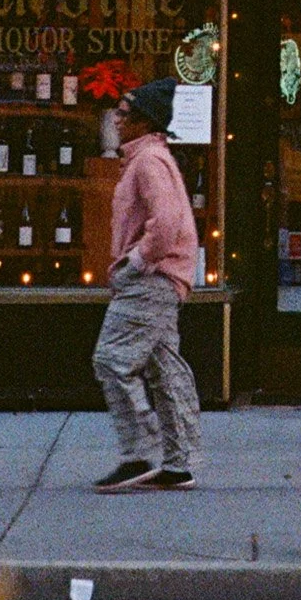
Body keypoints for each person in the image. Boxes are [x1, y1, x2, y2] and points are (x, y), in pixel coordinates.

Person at [91, 78, 203, 491]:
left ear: (143, 122)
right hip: (164, 279)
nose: (116, 120)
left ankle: (138, 453)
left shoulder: (149, 161)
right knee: (163, 370)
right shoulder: (147, 158)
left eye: (123, 114)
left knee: (111, 360)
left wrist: (135, 262)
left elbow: (168, 222)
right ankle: (178, 463)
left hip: (151, 279)